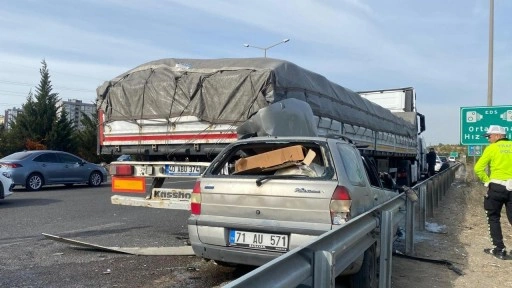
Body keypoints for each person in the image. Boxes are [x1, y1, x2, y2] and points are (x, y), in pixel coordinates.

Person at [474, 124, 512, 260]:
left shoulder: (492, 148)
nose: (488, 139)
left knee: (493, 217)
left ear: (497, 135)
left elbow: (478, 168)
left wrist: (487, 181)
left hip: (496, 187)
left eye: (489, 136)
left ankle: (499, 249)